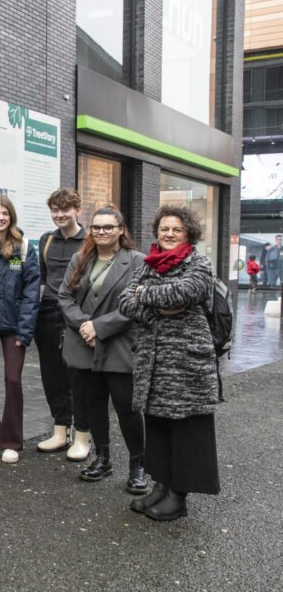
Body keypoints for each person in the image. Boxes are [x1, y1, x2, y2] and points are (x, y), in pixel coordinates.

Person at [119, 205, 220, 521]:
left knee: (185, 428)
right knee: (159, 427)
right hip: (154, 362)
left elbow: (185, 292)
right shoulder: (147, 264)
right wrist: (157, 307)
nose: (169, 234)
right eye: (164, 228)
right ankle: (161, 485)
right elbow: (125, 301)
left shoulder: (198, 264)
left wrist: (145, 294)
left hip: (186, 364)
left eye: (176, 229)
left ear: (188, 232)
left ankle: (179, 495)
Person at [58, 206, 147, 493]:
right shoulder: (80, 259)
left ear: (121, 229)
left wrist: (100, 327)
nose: (101, 232)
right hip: (84, 346)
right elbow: (64, 297)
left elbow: (138, 305)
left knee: (127, 408)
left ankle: (138, 466)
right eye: (96, 227)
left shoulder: (137, 262)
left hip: (119, 345)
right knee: (93, 405)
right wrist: (86, 325)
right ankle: (103, 458)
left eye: (108, 227)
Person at [0, 196, 40, 464]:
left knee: (12, 379)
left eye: (5, 213)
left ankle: (11, 440)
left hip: (14, 324)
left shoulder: (23, 248)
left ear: (11, 216)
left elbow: (31, 291)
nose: (0, 217)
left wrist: (24, 331)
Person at [34, 188, 90, 460]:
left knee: (78, 377)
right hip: (48, 314)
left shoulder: (89, 240)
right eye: (55, 210)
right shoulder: (46, 240)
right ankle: (59, 430)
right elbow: (43, 278)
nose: (59, 215)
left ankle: (81, 435)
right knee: (52, 375)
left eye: (65, 210)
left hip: (77, 315)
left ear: (77, 210)